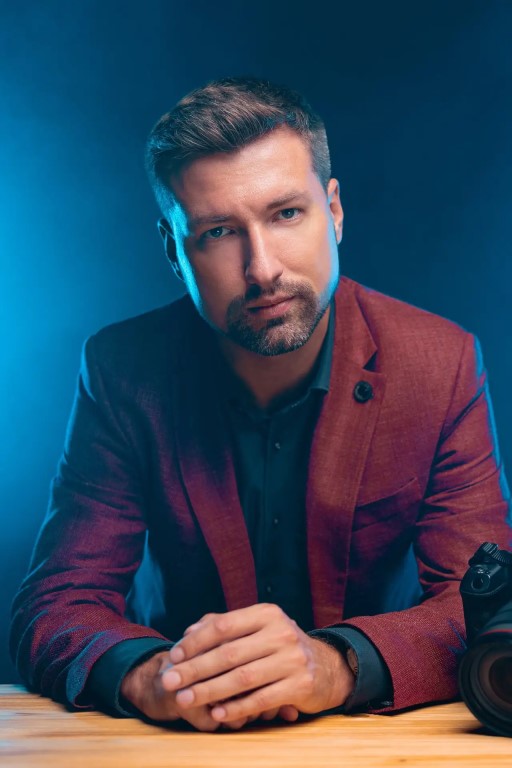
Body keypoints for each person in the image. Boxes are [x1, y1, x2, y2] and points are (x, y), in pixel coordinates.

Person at [10, 76, 511, 733]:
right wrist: (152, 677)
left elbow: (487, 608)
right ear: (174, 250)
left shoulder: (440, 364)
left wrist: (335, 665)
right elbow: (56, 603)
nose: (262, 268)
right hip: (184, 740)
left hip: (376, 737)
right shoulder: (122, 371)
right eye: (218, 231)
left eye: (286, 214)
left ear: (334, 211)